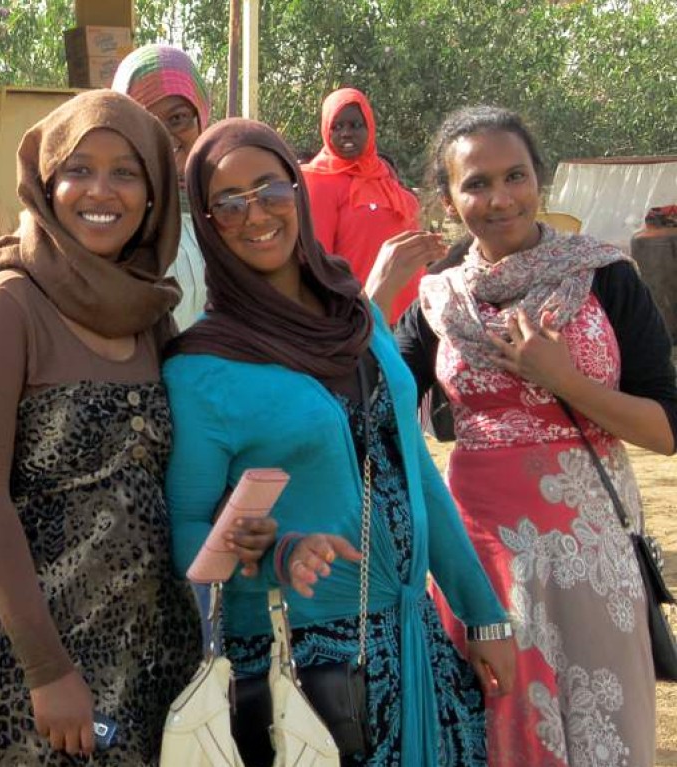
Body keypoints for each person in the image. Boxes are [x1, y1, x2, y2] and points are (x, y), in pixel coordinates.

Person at [165, 118, 516, 765]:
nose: (255, 213)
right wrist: (275, 551)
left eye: (269, 188)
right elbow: (190, 535)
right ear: (208, 223)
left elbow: (416, 476)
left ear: (297, 190)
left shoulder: (357, 317)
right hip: (306, 673)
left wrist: (482, 613)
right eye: (229, 202)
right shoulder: (202, 367)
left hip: (414, 650)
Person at [397, 106, 677, 766]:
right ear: (447, 199)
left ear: (539, 181)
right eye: (476, 183)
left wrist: (566, 380)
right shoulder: (439, 300)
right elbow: (370, 401)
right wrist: (377, 297)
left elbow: (667, 430)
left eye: (514, 176)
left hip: (591, 560)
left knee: (605, 735)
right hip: (480, 560)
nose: (499, 199)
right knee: (499, 736)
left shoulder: (606, 276)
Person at [0, 90, 200, 764]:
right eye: (79, 168)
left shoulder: (147, 310)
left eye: (126, 171)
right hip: (48, 655)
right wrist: (45, 667)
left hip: (151, 646)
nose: (100, 190)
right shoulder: (7, 305)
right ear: (46, 182)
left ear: (153, 194)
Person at [302, 87, 433, 321]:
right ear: (325, 130)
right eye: (337, 127)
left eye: (355, 125)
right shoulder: (319, 181)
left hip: (414, 317)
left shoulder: (384, 175)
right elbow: (318, 262)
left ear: (370, 127)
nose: (346, 133)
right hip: (360, 319)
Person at [111, 43, 211, 328]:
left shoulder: (228, 205)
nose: (166, 137)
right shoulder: (114, 216)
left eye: (178, 118)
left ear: (201, 118)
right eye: (148, 122)